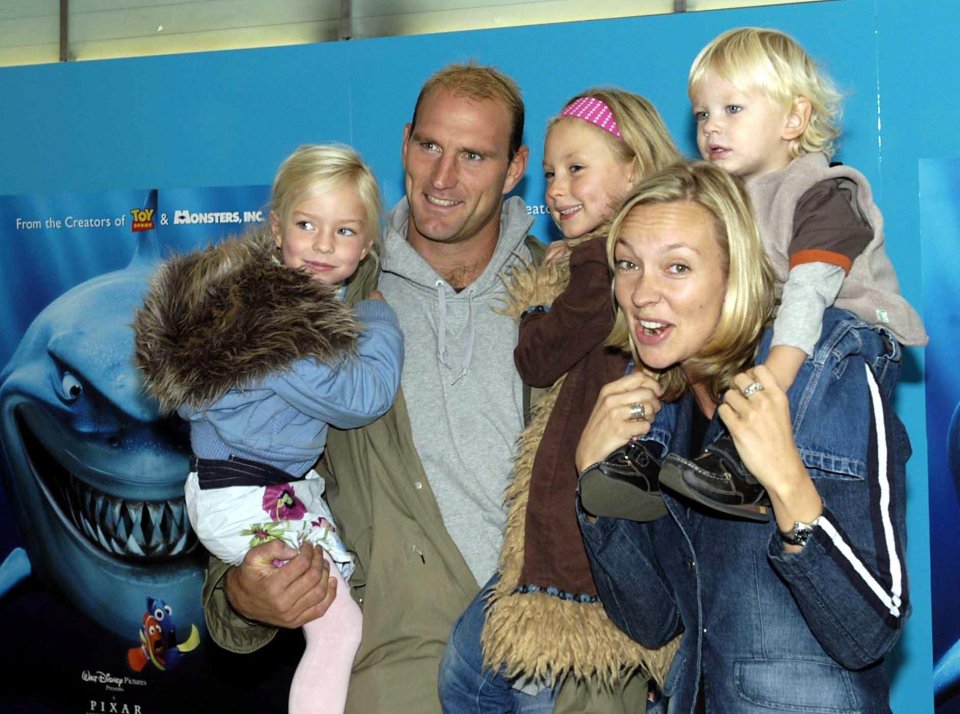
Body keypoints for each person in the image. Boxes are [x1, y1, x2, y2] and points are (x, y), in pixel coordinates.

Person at [198, 64, 561, 714]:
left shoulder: (576, 297)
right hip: (402, 679)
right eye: (429, 147)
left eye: (473, 155)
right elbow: (241, 471)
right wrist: (242, 596)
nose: (442, 179)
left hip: (566, 681)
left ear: (515, 169)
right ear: (404, 145)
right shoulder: (317, 300)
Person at [576, 161, 910, 712]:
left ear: (735, 274)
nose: (641, 294)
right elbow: (654, 621)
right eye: (628, 264)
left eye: (677, 267)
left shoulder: (824, 372)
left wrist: (786, 482)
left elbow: (871, 631)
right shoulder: (669, 407)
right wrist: (592, 487)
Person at [133, 144, 403, 714]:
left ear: (369, 244)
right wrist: (378, 316)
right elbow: (363, 396)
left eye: (346, 230)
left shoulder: (257, 299)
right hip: (252, 497)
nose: (325, 245)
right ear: (277, 229)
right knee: (336, 631)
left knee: (336, 627)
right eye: (308, 225)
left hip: (256, 490)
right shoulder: (275, 326)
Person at [439, 89, 681, 713]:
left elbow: (538, 356)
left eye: (578, 167)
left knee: (482, 682)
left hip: (584, 528)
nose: (559, 186)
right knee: (473, 677)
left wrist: (543, 296)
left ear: (633, 168)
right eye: (550, 172)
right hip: (561, 517)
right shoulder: (592, 260)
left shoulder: (605, 262)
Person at [639, 26, 926, 520]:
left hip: (851, 335)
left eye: (732, 109)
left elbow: (808, 295)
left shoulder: (824, 193)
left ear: (794, 118)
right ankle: (643, 453)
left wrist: (769, 381)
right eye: (703, 114)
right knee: (665, 317)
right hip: (775, 327)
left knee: (825, 328)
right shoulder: (723, 202)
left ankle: (740, 461)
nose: (711, 127)